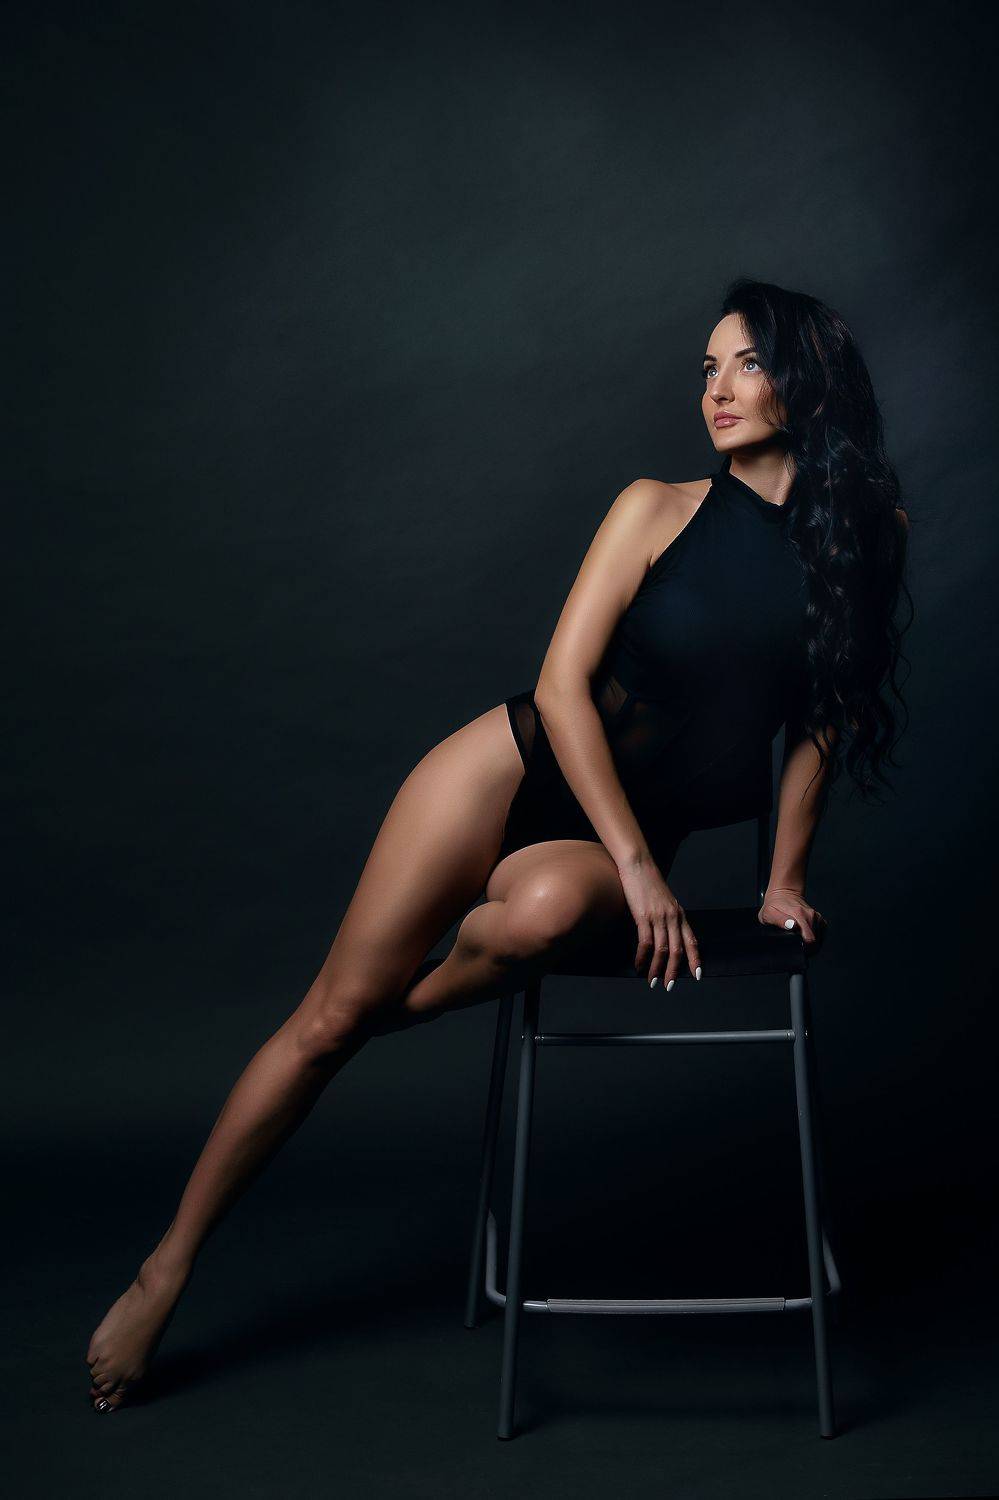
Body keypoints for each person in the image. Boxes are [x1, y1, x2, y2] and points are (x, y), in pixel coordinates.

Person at [85, 277, 912, 1412]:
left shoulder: (867, 540)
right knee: (323, 1020)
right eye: (707, 370)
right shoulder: (653, 509)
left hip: (608, 842)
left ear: (805, 378)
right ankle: (166, 1267)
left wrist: (783, 881)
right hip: (509, 771)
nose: (717, 391)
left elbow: (824, 719)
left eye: (747, 364)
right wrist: (638, 864)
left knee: (546, 915)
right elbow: (563, 690)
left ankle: (396, 1009)